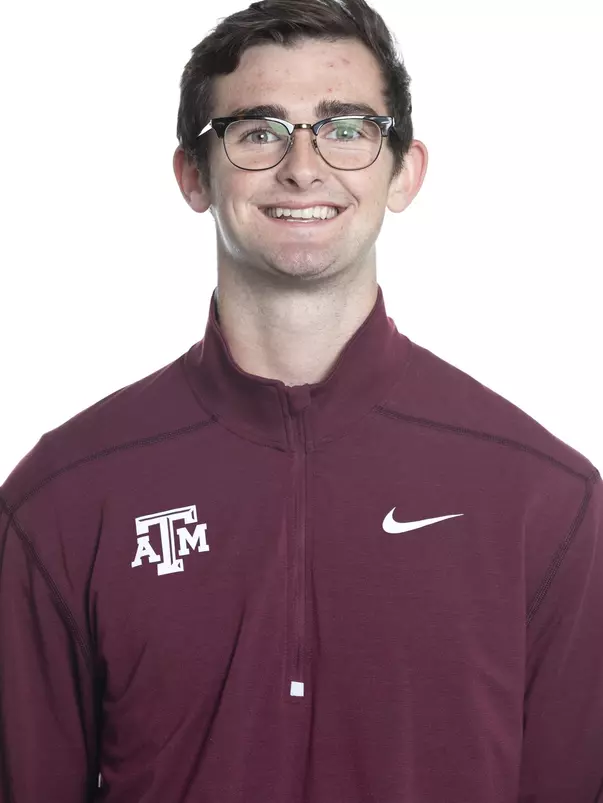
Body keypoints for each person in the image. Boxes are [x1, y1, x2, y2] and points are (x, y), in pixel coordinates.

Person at [1, 0, 601, 800]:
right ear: (192, 175)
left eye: (345, 128)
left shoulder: (543, 497)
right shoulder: (65, 495)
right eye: (258, 132)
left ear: (405, 171)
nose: (303, 167)